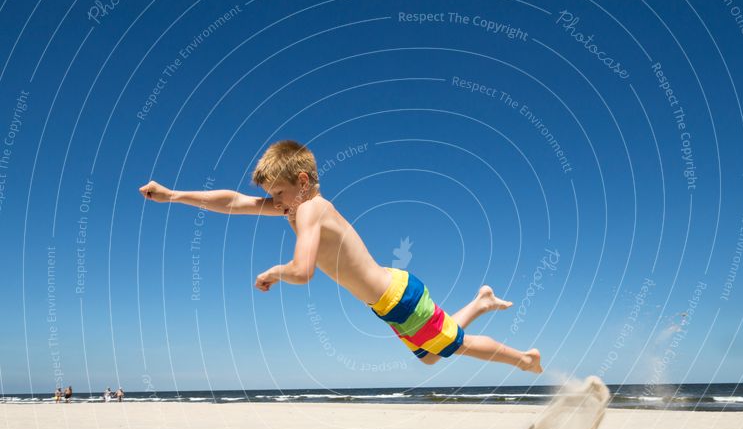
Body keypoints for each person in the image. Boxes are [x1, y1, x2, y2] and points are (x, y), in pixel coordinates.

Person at [139, 140, 542, 373]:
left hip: (397, 297)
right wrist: (173, 195)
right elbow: (233, 202)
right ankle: (482, 300)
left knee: (456, 345)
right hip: (387, 300)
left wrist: (275, 273)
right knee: (433, 355)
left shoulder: (311, 209)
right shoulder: (293, 206)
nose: (273, 202)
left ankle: (524, 359)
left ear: (301, 182)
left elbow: (303, 271)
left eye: (278, 193)